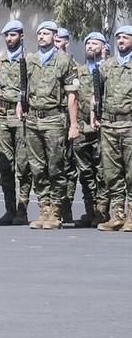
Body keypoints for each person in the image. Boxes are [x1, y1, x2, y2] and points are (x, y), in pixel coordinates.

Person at [21, 20, 82, 229]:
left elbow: (72, 96)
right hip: (33, 120)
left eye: (46, 33)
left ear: (55, 37)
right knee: (37, 168)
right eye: (39, 33)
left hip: (55, 119)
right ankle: (43, 210)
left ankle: (56, 211)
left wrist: (73, 124)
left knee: (56, 167)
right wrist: (21, 106)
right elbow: (24, 88)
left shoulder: (65, 61)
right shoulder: (30, 60)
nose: (41, 37)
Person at [0, 19, 31, 223]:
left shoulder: (29, 60)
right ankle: (10, 209)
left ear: (21, 36)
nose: (8, 38)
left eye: (13, 35)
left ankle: (22, 209)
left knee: (23, 165)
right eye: (6, 35)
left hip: (22, 116)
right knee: (5, 165)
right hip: (4, 116)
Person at [98, 26, 132, 232]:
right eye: (118, 37)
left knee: (131, 172)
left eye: (125, 37)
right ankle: (117, 214)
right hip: (109, 125)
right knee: (111, 172)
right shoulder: (107, 66)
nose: (121, 41)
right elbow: (97, 93)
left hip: (129, 124)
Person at [73, 32, 108, 226]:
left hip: (102, 127)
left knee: (102, 170)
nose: (90, 47)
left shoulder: (107, 70)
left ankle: (102, 211)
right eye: (88, 43)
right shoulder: (78, 71)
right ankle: (90, 209)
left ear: (103, 47)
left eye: (94, 43)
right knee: (85, 171)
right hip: (82, 127)